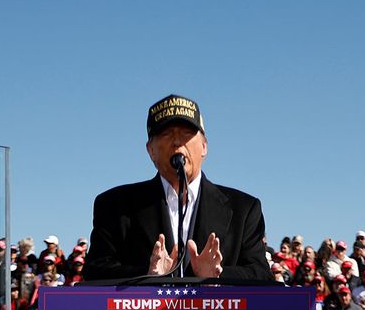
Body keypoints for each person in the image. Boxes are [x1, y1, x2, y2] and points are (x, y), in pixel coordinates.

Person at [83, 94, 269, 281]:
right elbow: (95, 271)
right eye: (166, 133)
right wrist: (148, 274)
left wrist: (216, 276)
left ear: (204, 146)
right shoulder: (114, 205)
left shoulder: (244, 209)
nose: (177, 142)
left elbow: (261, 274)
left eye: (187, 133)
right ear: (151, 150)